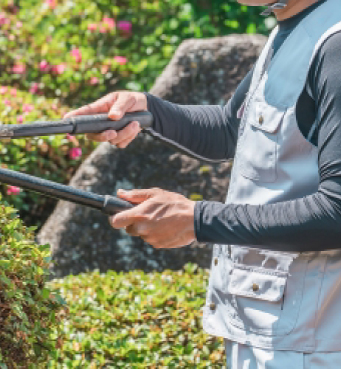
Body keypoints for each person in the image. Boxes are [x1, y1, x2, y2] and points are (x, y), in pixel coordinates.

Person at [64, 0, 341, 367]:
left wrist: (196, 219)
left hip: (311, 343)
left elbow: (337, 211)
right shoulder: (292, 27)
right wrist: (148, 110)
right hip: (273, 332)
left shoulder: (334, 44)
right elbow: (231, 127)